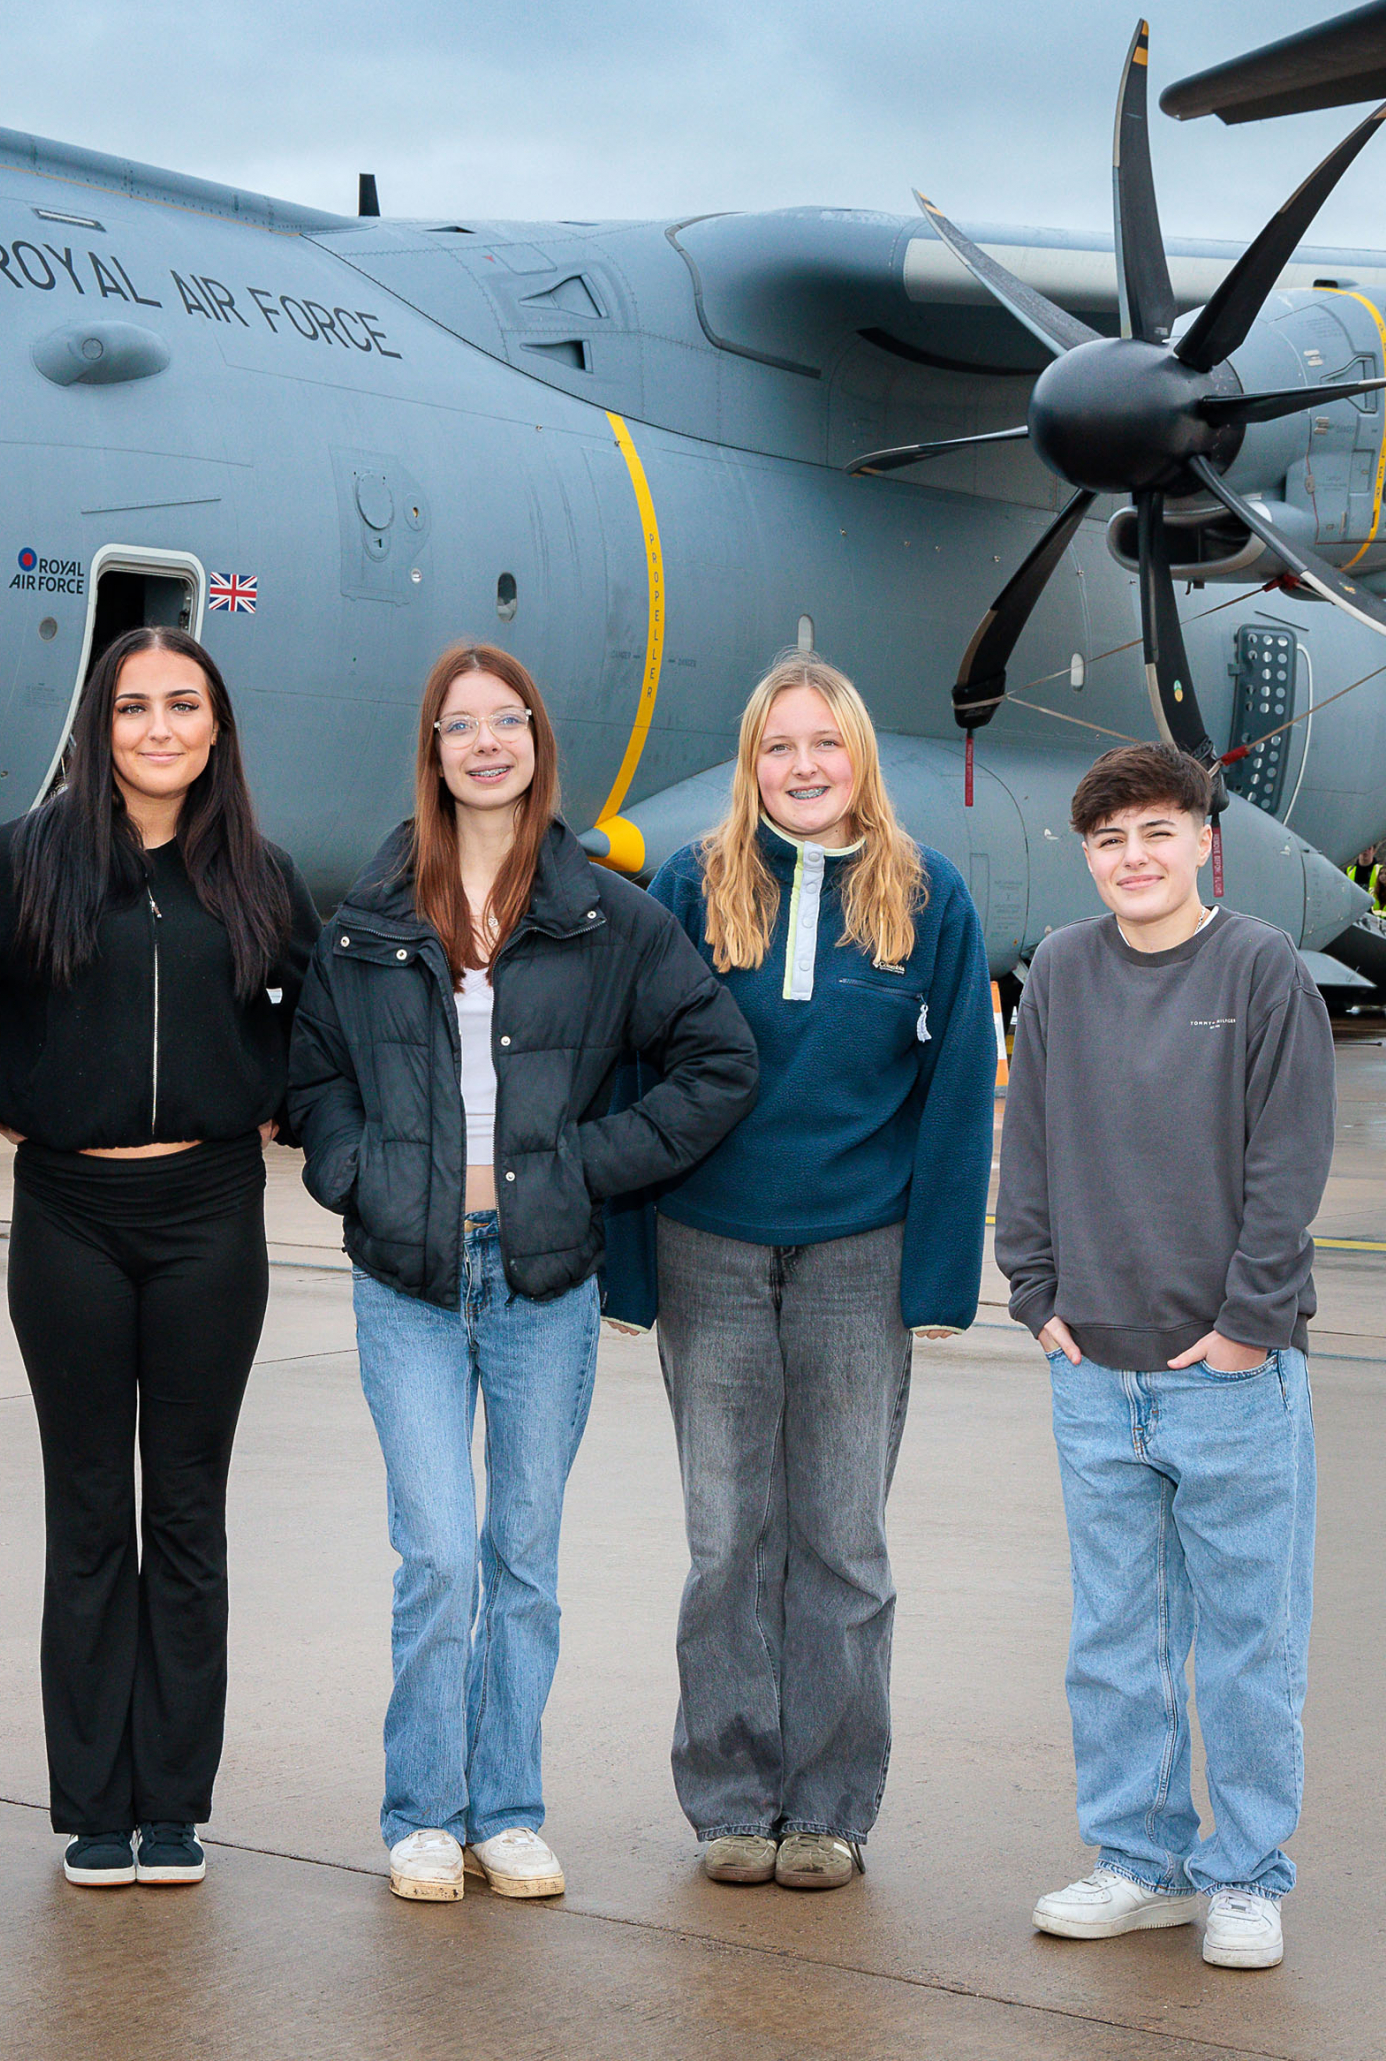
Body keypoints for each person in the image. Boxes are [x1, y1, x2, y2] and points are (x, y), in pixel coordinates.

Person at [287, 640, 756, 1905]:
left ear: (540, 743)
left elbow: (716, 1058)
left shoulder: (606, 911)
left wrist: (579, 1166)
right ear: (432, 750)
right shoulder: (373, 911)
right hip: (408, 1278)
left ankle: (507, 1808)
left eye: (509, 722)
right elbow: (313, 1070)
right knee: (438, 1550)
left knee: (525, 1553)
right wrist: (358, 1170)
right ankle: (423, 1811)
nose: (485, 742)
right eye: (460, 724)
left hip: (542, 1278)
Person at [0, 626, 317, 1889]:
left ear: (216, 729)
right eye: (132, 705)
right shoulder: (19, 859)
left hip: (211, 1212)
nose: (157, 727)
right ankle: (95, 1801)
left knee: (188, 1513)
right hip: (71, 1218)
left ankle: (175, 1803)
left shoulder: (258, 871)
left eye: (182, 705)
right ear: (100, 726)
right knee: (90, 1509)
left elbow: (329, 1019)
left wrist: (277, 1097)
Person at [625, 654, 996, 1890]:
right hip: (707, 1246)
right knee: (726, 1535)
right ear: (751, 761)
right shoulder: (693, 882)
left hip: (858, 1251)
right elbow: (637, 1069)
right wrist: (629, 1265)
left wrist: (939, 1278)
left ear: (859, 760)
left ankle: (830, 1804)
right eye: (778, 745)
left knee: (842, 1540)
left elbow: (955, 1098)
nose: (801, 767)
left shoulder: (926, 895)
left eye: (823, 745)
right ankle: (732, 1793)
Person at [996, 741, 1333, 1974]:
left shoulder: (1259, 967)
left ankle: (1244, 1875)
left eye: (1154, 833)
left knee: (1248, 1638)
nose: (1131, 859)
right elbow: (1023, 1141)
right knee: (1115, 1638)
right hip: (1093, 1368)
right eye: (1107, 841)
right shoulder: (1065, 970)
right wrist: (1035, 1297)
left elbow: (1287, 1165)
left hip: (1227, 1373)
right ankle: (1138, 1859)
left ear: (1204, 840)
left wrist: (1246, 1329)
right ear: (1085, 857)